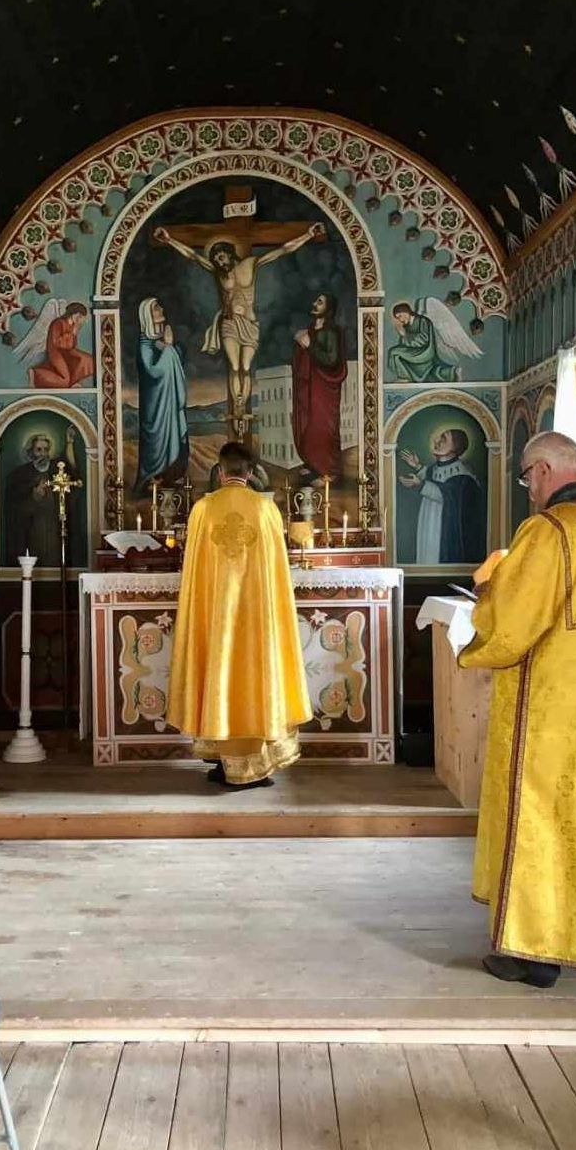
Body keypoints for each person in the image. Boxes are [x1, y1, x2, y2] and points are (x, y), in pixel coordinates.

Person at [459, 431, 576, 988]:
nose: (527, 487)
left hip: (552, 705)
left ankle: (534, 952)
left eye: (525, 476)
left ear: (541, 471)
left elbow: (514, 625)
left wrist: (488, 591)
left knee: (540, 812)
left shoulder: (546, 531)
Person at [167, 441, 311, 789]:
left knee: (218, 678)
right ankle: (255, 765)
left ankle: (221, 761)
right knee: (256, 681)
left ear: (220, 471)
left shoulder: (203, 508)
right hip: (258, 619)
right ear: (250, 473)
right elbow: (279, 572)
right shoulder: (265, 511)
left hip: (215, 617)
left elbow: (195, 571)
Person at [153, 222, 324, 418]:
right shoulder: (219, 274)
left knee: (245, 367)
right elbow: (193, 256)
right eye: (215, 258)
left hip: (250, 324)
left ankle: (245, 405)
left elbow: (283, 250)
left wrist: (308, 236)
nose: (218, 259)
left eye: (221, 255)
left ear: (229, 252)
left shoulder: (251, 264)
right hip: (229, 324)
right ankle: (238, 407)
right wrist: (169, 240)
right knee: (234, 367)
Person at [398, 428, 487, 564]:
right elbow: (433, 480)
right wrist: (418, 467)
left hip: (444, 528)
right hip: (429, 521)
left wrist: (420, 484)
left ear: (455, 448)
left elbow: (445, 494)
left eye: (443, 439)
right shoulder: (435, 468)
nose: (437, 441)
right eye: (438, 438)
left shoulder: (463, 475)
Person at [134, 297, 190, 495]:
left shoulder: (156, 343)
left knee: (175, 435)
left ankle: (170, 476)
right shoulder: (145, 345)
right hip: (155, 407)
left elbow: (176, 358)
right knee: (156, 440)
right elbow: (153, 372)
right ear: (148, 315)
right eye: (157, 307)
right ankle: (152, 478)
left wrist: (170, 348)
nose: (162, 309)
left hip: (169, 403)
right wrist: (168, 349)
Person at [291, 292, 347, 483]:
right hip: (307, 386)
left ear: (328, 308)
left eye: (320, 302)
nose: (315, 304)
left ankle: (328, 472)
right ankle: (313, 464)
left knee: (322, 426)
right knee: (307, 424)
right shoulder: (311, 331)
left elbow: (331, 361)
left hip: (323, 388)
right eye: (315, 301)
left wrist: (308, 345)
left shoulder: (331, 332)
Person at [3, 432, 66, 567]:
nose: (43, 454)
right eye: (38, 450)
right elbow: (14, 511)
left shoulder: (57, 472)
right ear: (31, 452)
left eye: (46, 450)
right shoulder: (19, 476)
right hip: (32, 531)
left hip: (53, 529)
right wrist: (34, 498)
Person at [29, 302, 95, 388]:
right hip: (56, 353)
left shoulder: (73, 326)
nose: (80, 319)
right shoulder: (58, 323)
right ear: (74, 314)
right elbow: (57, 342)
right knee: (63, 382)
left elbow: (72, 345)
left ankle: (72, 382)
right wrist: (72, 333)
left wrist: (74, 334)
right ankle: (36, 374)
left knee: (89, 360)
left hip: (67, 352)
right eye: (80, 316)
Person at [387, 301, 456, 383]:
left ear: (406, 312)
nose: (400, 320)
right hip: (416, 350)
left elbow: (424, 339)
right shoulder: (407, 325)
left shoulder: (422, 321)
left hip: (425, 351)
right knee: (395, 352)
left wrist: (405, 334)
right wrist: (404, 335)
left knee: (394, 352)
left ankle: (404, 377)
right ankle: (451, 372)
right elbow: (405, 343)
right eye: (398, 318)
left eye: (400, 316)